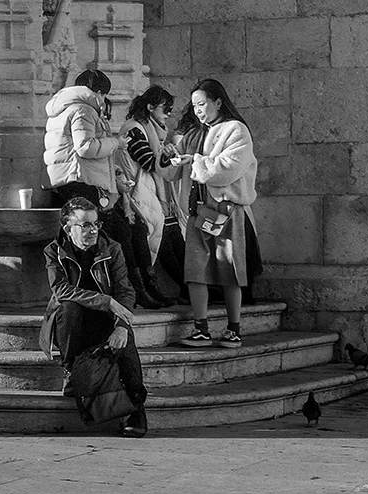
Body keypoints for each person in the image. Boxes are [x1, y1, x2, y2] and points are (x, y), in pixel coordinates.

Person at [158, 78, 262, 346]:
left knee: (229, 271)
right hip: (198, 212)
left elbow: (228, 169)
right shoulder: (192, 134)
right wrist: (168, 156)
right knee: (195, 272)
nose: (198, 111)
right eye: (194, 106)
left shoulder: (236, 130)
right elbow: (171, 173)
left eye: (202, 104)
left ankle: (233, 329)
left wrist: (194, 160)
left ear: (218, 102)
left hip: (226, 211)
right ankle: (201, 328)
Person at [41, 196, 149, 438]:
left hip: (105, 319)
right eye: (86, 225)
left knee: (126, 342)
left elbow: (125, 290)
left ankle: (137, 408)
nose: (93, 230)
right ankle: (70, 371)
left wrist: (121, 326)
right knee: (68, 309)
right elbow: (61, 290)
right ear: (68, 228)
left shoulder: (112, 248)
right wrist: (105, 301)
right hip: (73, 323)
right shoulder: (54, 251)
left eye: (96, 224)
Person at [42, 68, 140, 269]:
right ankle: (119, 285)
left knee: (114, 235)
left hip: (70, 181)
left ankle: (127, 284)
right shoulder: (83, 110)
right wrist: (116, 143)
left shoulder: (63, 108)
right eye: (104, 95)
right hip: (83, 181)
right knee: (103, 240)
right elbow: (86, 147)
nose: (104, 101)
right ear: (98, 92)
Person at [123, 84, 182, 305]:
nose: (169, 113)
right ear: (150, 107)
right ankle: (149, 290)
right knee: (155, 235)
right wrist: (165, 156)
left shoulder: (152, 131)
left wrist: (166, 155)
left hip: (149, 192)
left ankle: (173, 288)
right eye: (165, 108)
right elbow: (148, 162)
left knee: (167, 235)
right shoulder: (134, 130)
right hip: (136, 192)